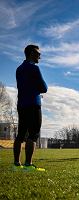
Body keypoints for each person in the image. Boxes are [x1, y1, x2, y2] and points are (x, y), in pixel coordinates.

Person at [13, 44, 48, 172]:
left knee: (20, 135)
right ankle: (28, 165)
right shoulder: (34, 68)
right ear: (31, 53)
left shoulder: (19, 69)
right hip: (33, 104)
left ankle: (16, 164)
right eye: (38, 53)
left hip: (21, 104)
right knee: (33, 134)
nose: (40, 56)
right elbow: (44, 88)